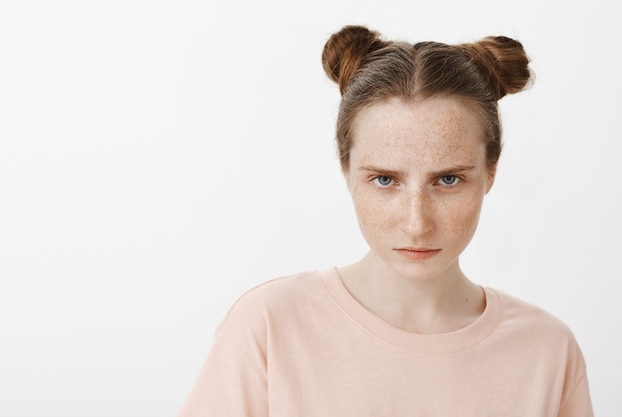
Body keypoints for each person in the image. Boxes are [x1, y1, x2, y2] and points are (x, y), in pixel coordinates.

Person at [177, 25, 594, 416]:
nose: (416, 222)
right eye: (385, 180)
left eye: (448, 179)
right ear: (347, 171)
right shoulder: (269, 327)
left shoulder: (548, 351)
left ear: (490, 174)